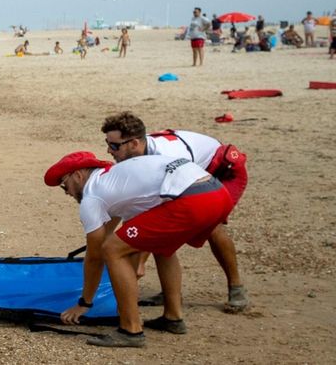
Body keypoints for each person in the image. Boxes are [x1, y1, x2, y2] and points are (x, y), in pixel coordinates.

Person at [46, 149, 237, 348]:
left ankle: (131, 330)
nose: (66, 192)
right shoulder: (116, 178)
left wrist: (84, 303)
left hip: (194, 199)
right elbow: (117, 232)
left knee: (112, 249)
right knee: (162, 245)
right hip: (217, 192)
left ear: (78, 175)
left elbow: (96, 254)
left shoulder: (92, 196)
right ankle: (173, 317)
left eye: (63, 184)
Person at [101, 112, 250, 313]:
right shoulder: (134, 155)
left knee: (212, 227)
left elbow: (164, 204)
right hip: (192, 177)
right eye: (108, 143)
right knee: (162, 233)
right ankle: (171, 294)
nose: (109, 150)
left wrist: (139, 260)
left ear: (134, 143)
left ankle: (236, 287)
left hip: (222, 172)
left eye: (114, 146)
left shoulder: (169, 155)